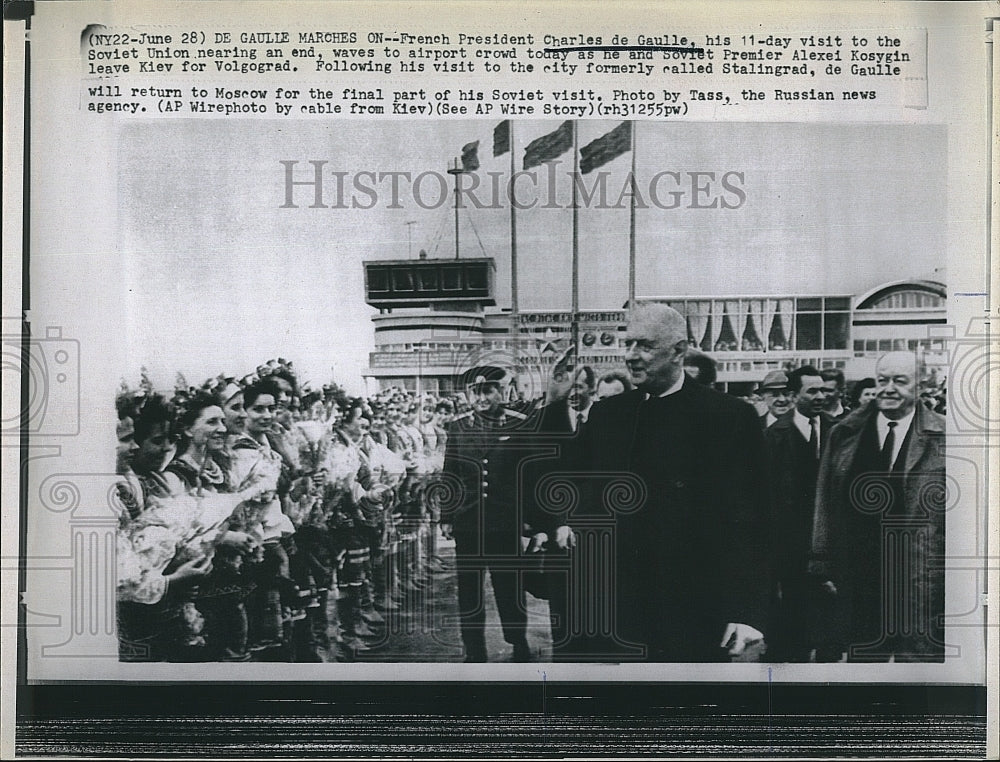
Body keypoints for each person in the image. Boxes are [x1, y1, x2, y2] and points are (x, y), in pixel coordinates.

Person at [544, 303, 772, 662]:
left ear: (679, 351)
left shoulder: (730, 417)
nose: (631, 356)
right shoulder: (608, 415)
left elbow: (753, 519)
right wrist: (554, 404)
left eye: (645, 346)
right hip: (615, 606)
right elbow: (564, 478)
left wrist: (746, 611)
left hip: (693, 607)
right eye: (629, 343)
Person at [810, 351, 946, 662]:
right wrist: (821, 562)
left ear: (922, 384)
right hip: (860, 578)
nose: (888, 388)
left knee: (919, 669)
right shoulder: (844, 434)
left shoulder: (946, 436)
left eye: (900, 381)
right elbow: (825, 502)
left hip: (922, 577)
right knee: (865, 667)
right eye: (883, 380)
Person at [440, 365, 538, 662]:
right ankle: (474, 650)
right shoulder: (458, 427)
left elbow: (529, 475)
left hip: (505, 522)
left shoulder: (519, 424)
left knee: (509, 587)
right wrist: (446, 516)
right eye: (477, 392)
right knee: (469, 592)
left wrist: (531, 518)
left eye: (488, 391)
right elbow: (451, 474)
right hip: (468, 522)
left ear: (501, 392)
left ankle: (518, 641)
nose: (482, 398)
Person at [764, 365, 833, 662]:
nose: (820, 396)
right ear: (794, 396)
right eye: (812, 391)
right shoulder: (772, 436)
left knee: (830, 628)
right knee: (790, 628)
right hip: (787, 550)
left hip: (828, 546)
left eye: (824, 390)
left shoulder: (839, 431)